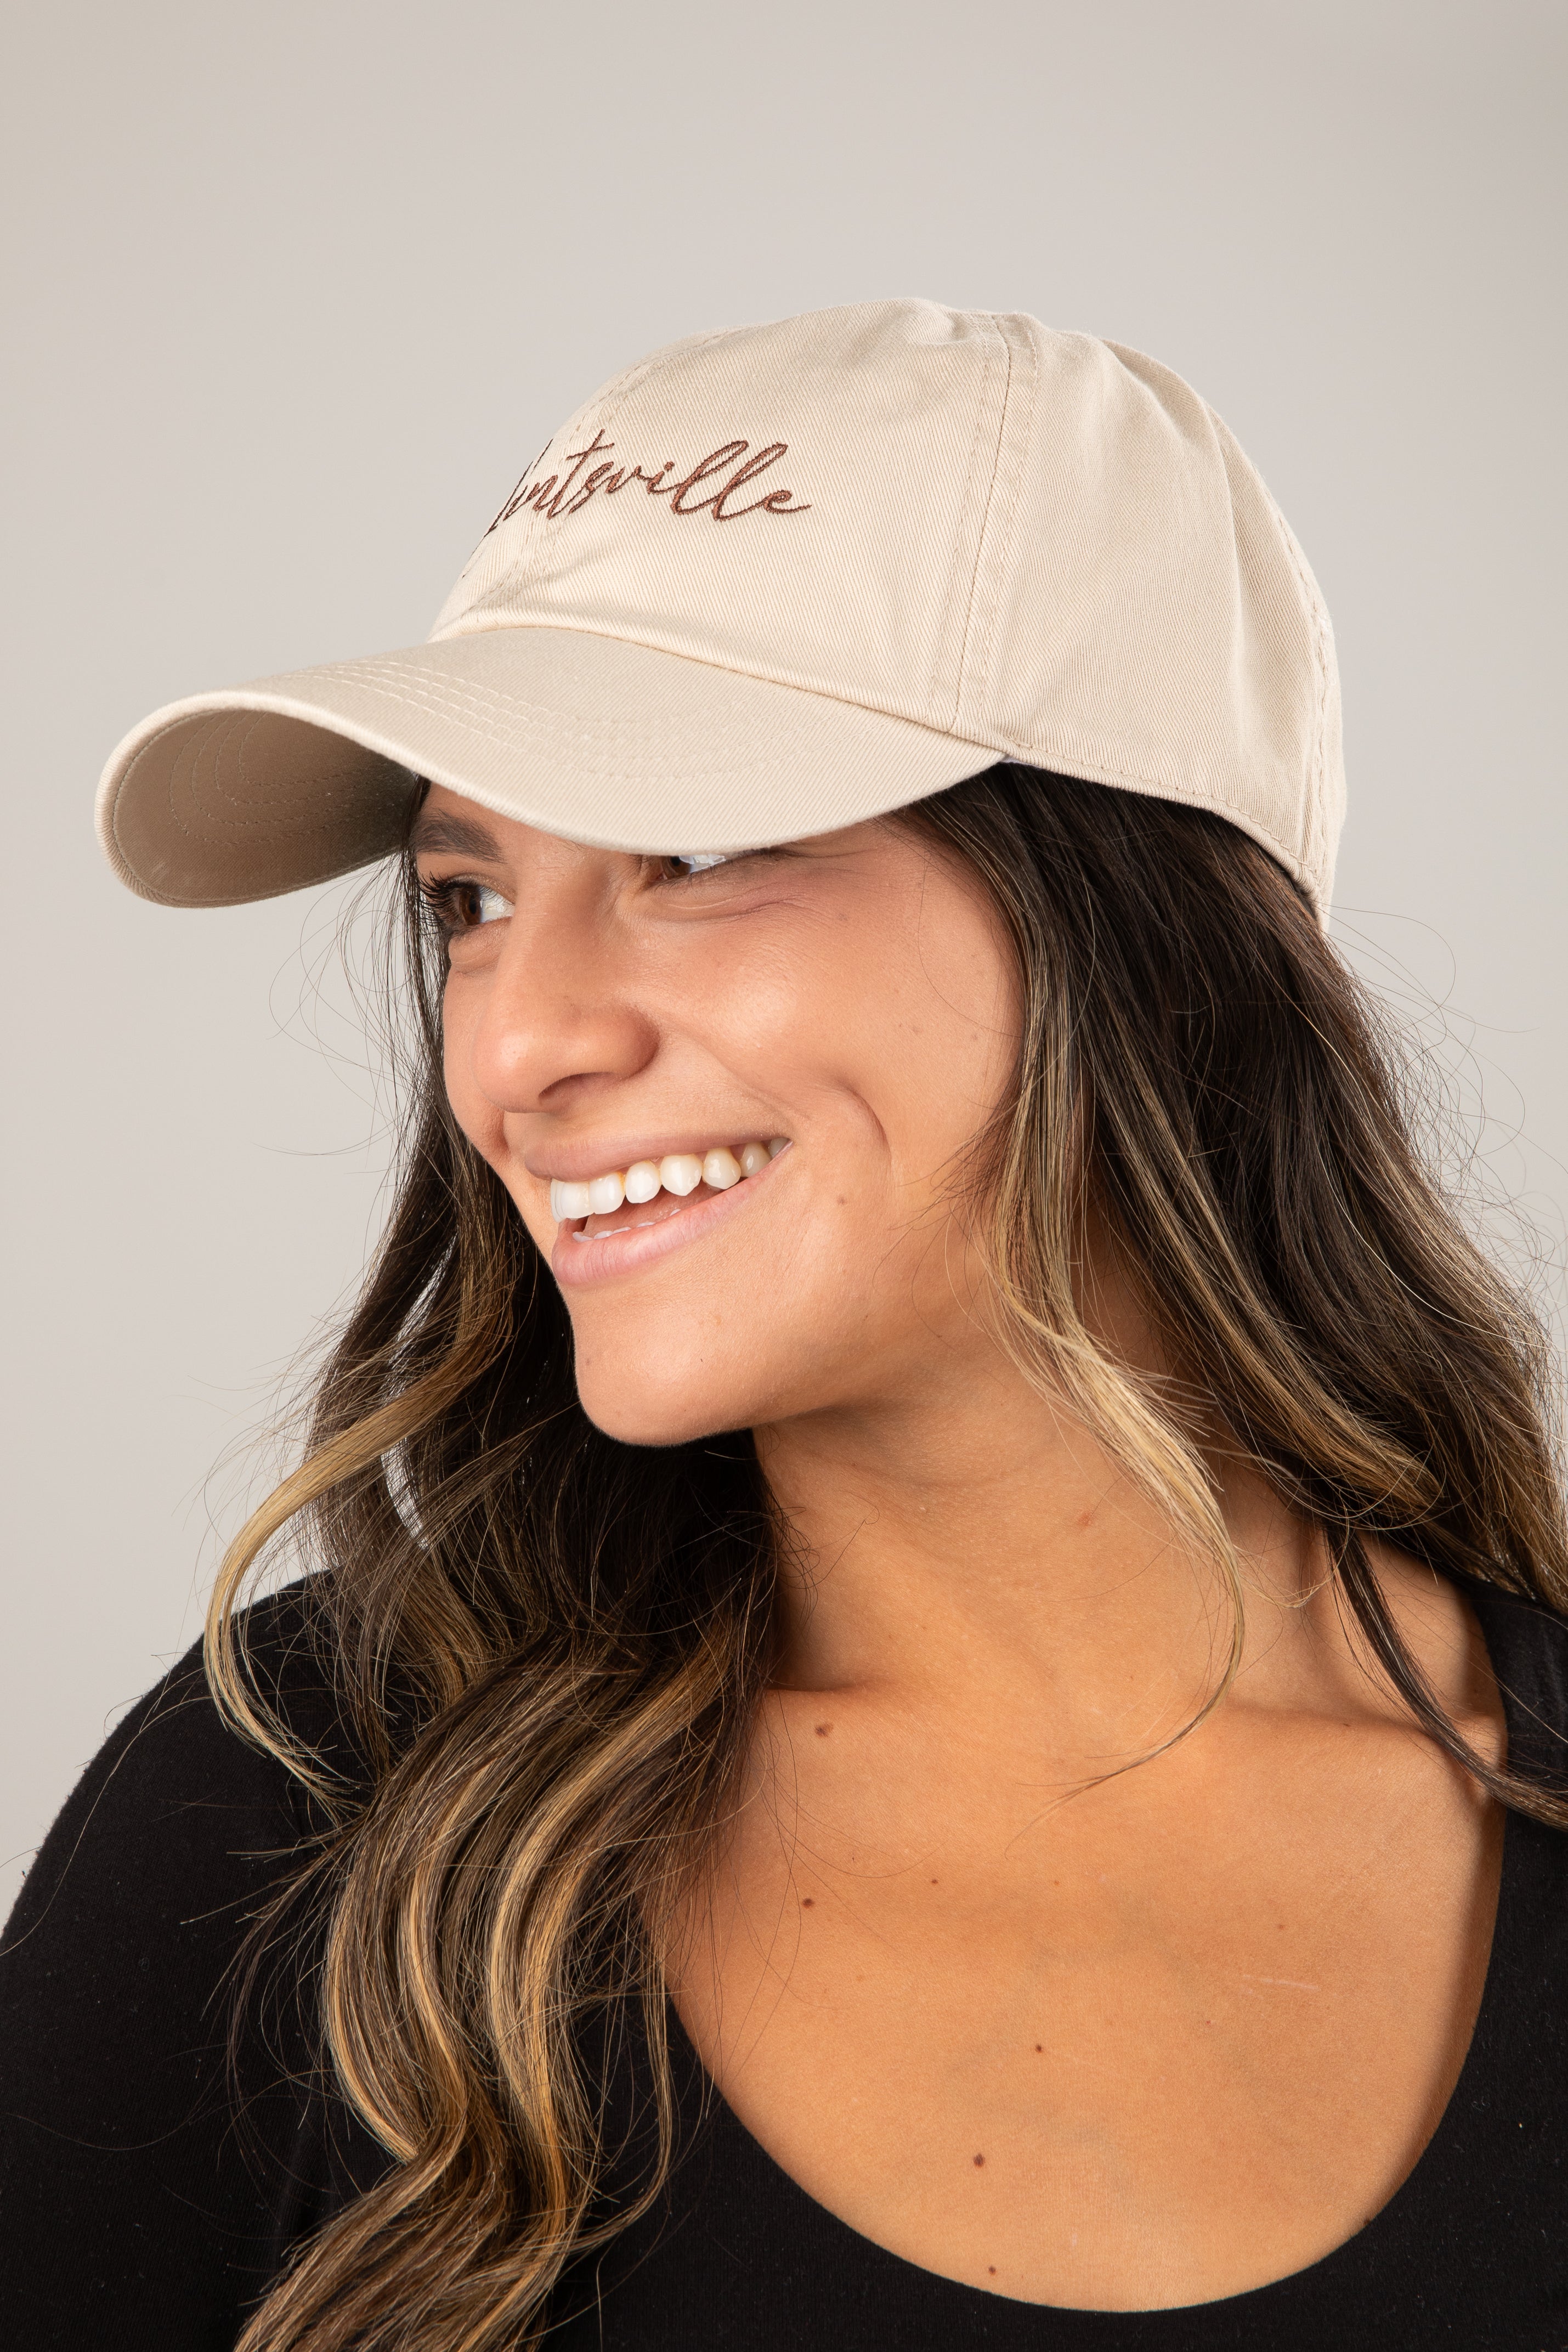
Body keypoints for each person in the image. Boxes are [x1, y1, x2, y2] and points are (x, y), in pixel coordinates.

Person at [3, 300, 1565, 2352]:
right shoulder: (284, 1821)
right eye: (465, 897)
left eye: (703, 852)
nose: (524, 1047)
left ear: (1143, 917)